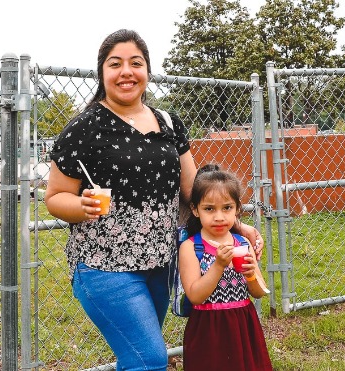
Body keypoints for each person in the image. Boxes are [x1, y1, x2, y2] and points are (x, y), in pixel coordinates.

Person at [44, 29, 263, 371]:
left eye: (136, 63)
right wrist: (81, 205)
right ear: (102, 72)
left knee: (136, 356)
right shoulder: (83, 128)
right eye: (115, 64)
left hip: (162, 263)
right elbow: (55, 197)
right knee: (148, 359)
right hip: (104, 266)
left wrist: (237, 225)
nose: (126, 71)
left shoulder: (168, 122)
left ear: (147, 70)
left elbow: (194, 192)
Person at [179, 165, 272, 370]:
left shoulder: (242, 243)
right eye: (209, 209)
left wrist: (250, 276)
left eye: (227, 208)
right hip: (208, 327)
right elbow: (195, 296)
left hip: (242, 324)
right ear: (195, 209)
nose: (219, 217)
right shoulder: (191, 247)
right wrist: (218, 265)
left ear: (238, 208)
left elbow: (258, 292)